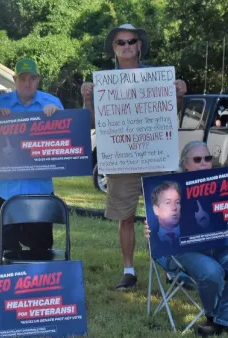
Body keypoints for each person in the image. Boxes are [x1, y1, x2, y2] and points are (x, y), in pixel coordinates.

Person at [81, 24, 188, 290]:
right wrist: (86, 100)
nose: (127, 46)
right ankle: (128, 270)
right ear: (114, 48)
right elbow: (93, 122)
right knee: (125, 217)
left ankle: (170, 268)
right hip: (121, 160)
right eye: (120, 42)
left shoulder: (158, 77)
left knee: (165, 214)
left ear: (139, 46)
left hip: (155, 157)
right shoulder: (102, 83)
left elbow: (171, 113)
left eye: (131, 41)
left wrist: (179, 93)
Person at [145, 141, 228, 337]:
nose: (204, 163)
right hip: (185, 251)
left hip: (220, 248)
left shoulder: (223, 185)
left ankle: (225, 320)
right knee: (211, 272)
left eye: (208, 158)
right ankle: (214, 318)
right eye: (197, 159)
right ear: (185, 163)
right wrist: (151, 228)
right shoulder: (172, 191)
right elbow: (159, 222)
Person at [0, 57, 63, 257]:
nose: (27, 83)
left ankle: (37, 285)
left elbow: (65, 141)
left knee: (40, 247)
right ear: (14, 79)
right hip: (3, 189)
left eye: (32, 78)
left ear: (38, 80)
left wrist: (58, 118)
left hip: (39, 189)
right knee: (3, 248)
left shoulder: (53, 104)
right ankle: (11, 282)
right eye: (22, 78)